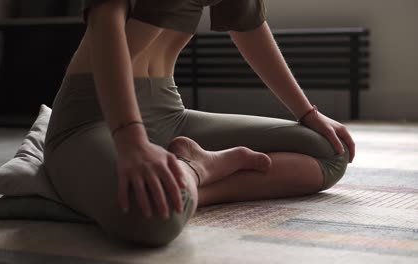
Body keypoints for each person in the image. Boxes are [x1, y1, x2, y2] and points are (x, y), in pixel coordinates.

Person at [43, 0, 356, 247]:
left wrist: (308, 114)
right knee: (153, 219)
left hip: (170, 114)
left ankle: (195, 177)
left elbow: (250, 27)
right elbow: (105, 29)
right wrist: (131, 140)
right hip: (93, 119)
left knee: (330, 153)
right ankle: (196, 171)